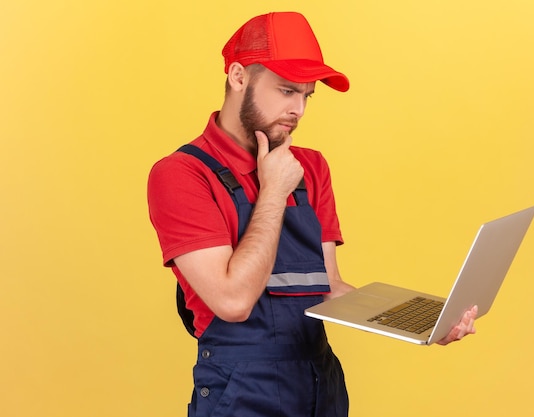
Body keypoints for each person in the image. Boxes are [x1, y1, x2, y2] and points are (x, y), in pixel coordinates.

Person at [147, 11, 477, 417]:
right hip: (242, 393)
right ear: (238, 77)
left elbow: (328, 287)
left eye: (306, 95)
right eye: (286, 91)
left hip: (321, 387)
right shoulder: (182, 174)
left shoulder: (312, 167)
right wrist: (273, 191)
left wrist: (423, 322)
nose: (299, 110)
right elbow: (232, 301)